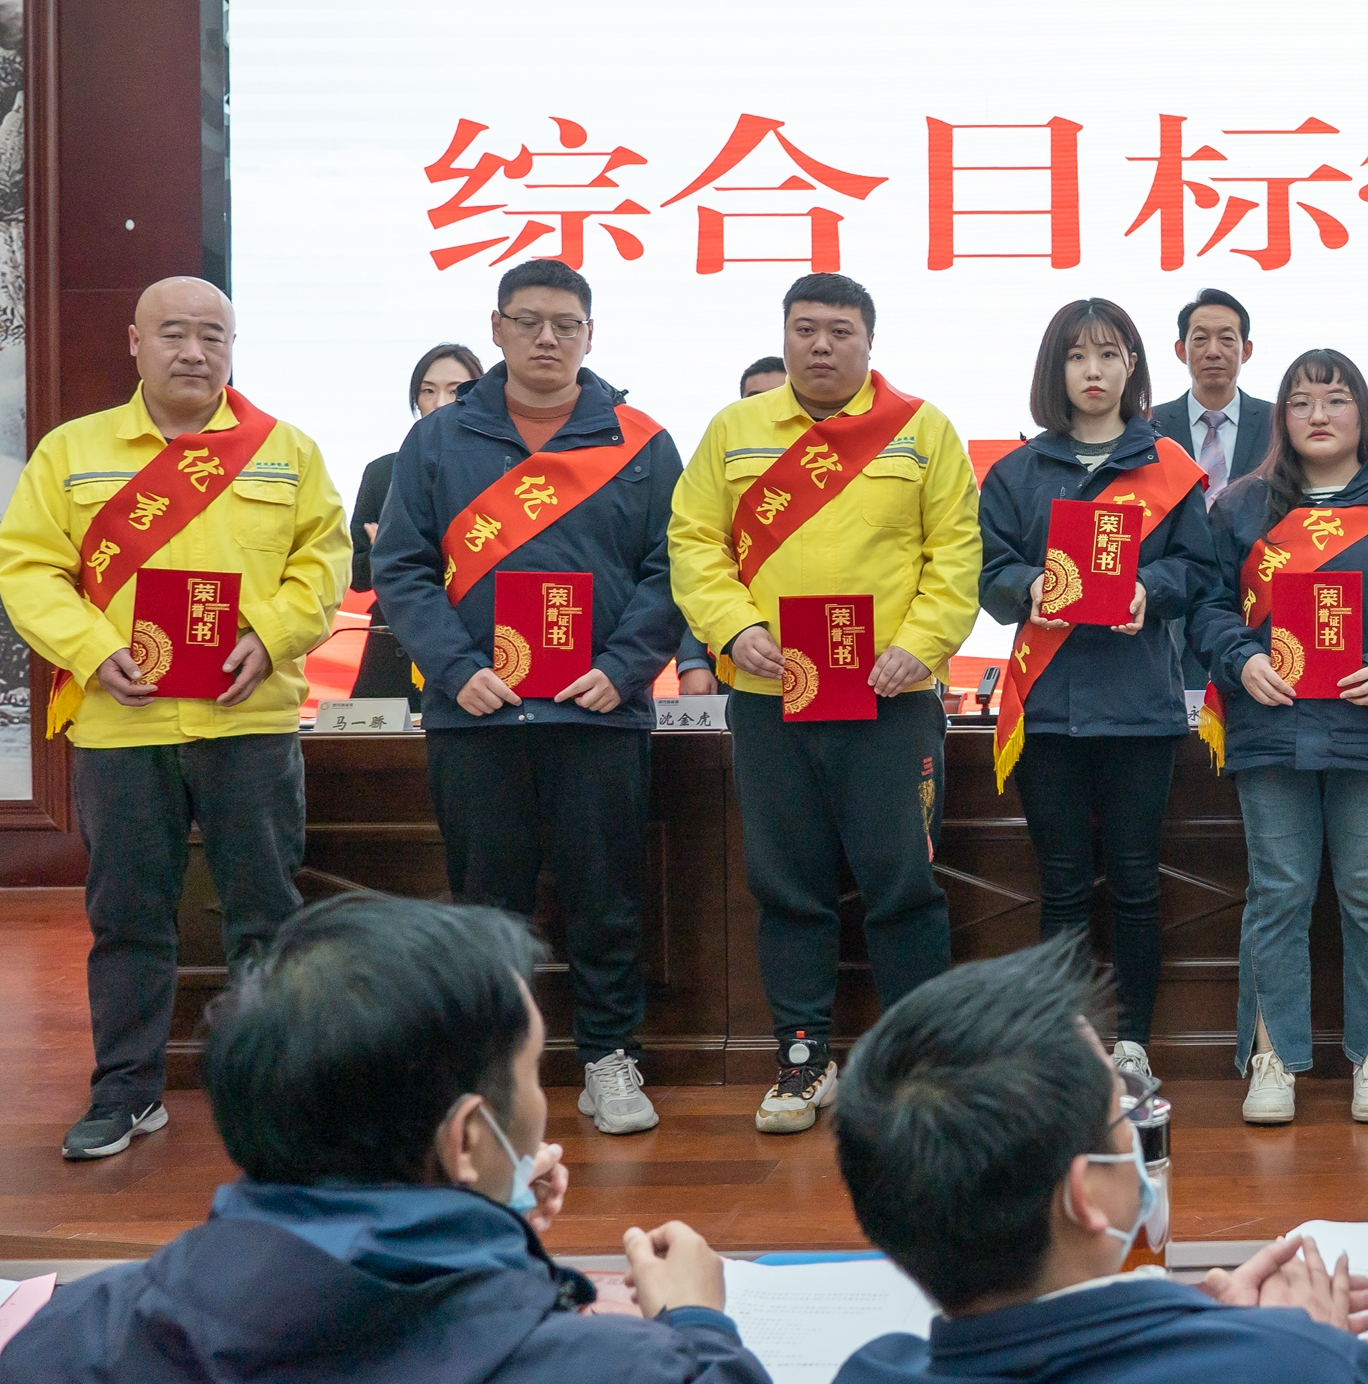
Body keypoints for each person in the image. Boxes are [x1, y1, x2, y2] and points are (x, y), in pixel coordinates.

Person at [3, 893, 763, 1383]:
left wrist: (479, 1236)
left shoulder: (74, 1340)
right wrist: (699, 1325)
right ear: (467, 1138)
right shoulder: (621, 1368)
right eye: (534, 1072)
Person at [0, 277, 349, 1161]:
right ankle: (126, 1092)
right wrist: (89, 649)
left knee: (265, 914)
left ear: (233, 346)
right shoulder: (73, 452)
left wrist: (271, 636)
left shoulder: (286, 452)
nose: (195, 351)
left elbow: (324, 563)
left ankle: (276, 1094)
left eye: (213, 335)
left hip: (248, 719)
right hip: (123, 724)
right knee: (128, 917)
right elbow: (28, 567)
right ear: (135, 342)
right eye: (174, 333)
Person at [371, 258, 686, 1136]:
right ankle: (493, 1070)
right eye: (528, 320)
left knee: (605, 899)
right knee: (485, 904)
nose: (547, 338)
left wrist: (624, 667)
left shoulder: (641, 441)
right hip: (477, 715)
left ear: (590, 335)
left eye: (566, 324)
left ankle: (610, 1059)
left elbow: (675, 567)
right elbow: (402, 567)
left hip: (598, 714)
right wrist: (453, 667)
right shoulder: (439, 441)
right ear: (497, 328)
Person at [669, 272, 982, 1135]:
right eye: (804, 328)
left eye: (840, 331)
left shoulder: (921, 430)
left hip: (892, 698)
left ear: (869, 341)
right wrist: (734, 629)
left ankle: (919, 1066)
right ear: (784, 336)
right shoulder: (734, 431)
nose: (820, 345)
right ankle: (803, 1058)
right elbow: (693, 543)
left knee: (903, 884)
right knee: (788, 885)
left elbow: (957, 554)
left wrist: (919, 646)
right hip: (771, 697)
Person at [834, 938, 1368, 1384]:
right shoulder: (1308, 1365)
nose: (1137, 1121)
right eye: (1122, 1105)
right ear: (1086, 1197)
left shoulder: (867, 1370)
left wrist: (1193, 1319)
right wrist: (1307, 1351)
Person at [1193, 350, 1368, 1127]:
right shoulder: (1241, 508)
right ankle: (1271, 1057)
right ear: (1281, 417)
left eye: (1336, 400)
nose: (1319, 415)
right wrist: (1242, 661)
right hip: (1270, 728)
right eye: (1302, 401)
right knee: (1278, 893)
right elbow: (1207, 608)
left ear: (1362, 414)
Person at [981, 299, 1220, 1083]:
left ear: (1132, 367)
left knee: (1136, 882)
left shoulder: (1169, 467)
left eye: (1109, 354)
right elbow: (988, 571)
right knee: (1059, 886)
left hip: (1139, 708)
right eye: (1077, 356)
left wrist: (1152, 589)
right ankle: (1065, 1046)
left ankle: (1132, 1042)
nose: (1093, 371)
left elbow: (1200, 570)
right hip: (1047, 709)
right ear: (1055, 371)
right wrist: (1029, 588)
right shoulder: (1016, 473)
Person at [349, 343, 482, 700]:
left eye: (455, 391)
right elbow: (356, 577)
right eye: (427, 391)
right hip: (394, 642)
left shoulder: (500, 473)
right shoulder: (382, 473)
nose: (439, 403)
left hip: (474, 644)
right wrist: (385, 553)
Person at [1154, 289, 1269, 687]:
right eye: (1200, 339)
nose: (1213, 351)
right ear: (1180, 350)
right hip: (1170, 599)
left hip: (1252, 601)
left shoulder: (1281, 424)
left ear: (1246, 349)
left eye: (1227, 339)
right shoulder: (1147, 428)